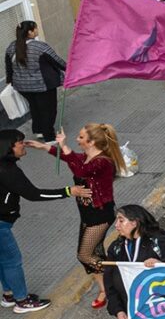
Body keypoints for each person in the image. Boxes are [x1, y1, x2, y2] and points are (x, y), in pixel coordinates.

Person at [26, 125, 122, 309]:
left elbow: (81, 171)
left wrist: (64, 146)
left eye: (80, 137)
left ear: (91, 142)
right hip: (87, 213)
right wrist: (45, 147)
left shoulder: (103, 162)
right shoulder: (87, 157)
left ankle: (119, 276)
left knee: (85, 255)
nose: (76, 139)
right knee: (96, 252)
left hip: (100, 214)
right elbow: (73, 160)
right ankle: (105, 289)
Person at [0, 129, 87, 313]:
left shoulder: (5, 166)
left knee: (3, 260)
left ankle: (9, 294)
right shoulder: (7, 170)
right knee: (12, 261)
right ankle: (22, 301)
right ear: (9, 147)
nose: (24, 145)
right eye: (20, 143)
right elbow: (34, 194)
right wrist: (68, 191)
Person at [5, 21, 65, 142]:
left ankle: (38, 131)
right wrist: (69, 69)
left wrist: (10, 81)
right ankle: (49, 137)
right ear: (30, 32)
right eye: (35, 29)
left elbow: (8, 67)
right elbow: (57, 61)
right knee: (48, 110)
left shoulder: (11, 47)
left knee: (35, 108)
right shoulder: (40, 46)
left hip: (22, 87)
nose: (37, 30)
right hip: (42, 85)